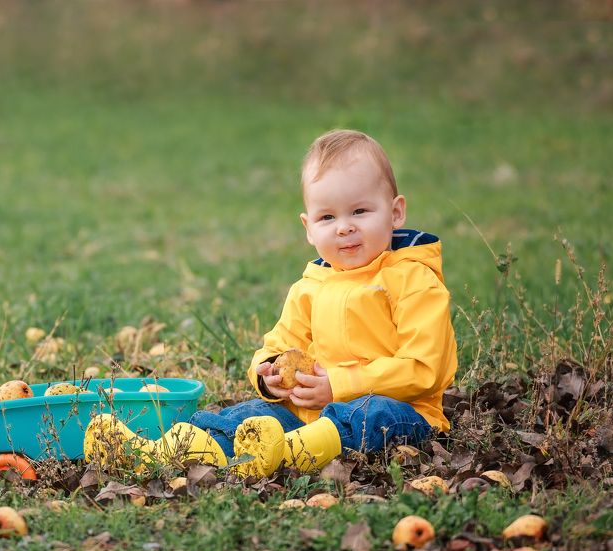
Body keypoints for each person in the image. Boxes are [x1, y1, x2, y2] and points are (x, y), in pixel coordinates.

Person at [84, 129, 457, 477]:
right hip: (307, 415)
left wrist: (340, 385)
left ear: (395, 213)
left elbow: (425, 368)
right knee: (247, 415)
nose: (344, 227)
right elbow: (279, 343)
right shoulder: (311, 285)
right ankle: (159, 452)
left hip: (406, 412)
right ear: (308, 228)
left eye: (359, 211)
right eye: (327, 217)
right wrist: (269, 374)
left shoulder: (413, 278)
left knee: (370, 414)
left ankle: (285, 454)